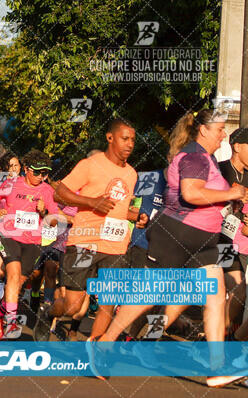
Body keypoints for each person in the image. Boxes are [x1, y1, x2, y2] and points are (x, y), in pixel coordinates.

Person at [94, 110, 246, 388]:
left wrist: (228, 204)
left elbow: (203, 195)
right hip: (175, 235)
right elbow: (191, 193)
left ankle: (216, 368)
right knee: (152, 293)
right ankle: (105, 341)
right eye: (220, 129)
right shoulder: (195, 156)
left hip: (202, 241)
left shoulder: (206, 158)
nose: (223, 134)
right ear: (203, 130)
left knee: (216, 293)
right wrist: (231, 194)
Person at [37, 119, 142, 343]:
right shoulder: (90, 164)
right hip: (84, 242)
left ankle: (96, 348)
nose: (130, 144)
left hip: (115, 246)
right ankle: (49, 313)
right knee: (73, 306)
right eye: (125, 138)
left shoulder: (132, 174)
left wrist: (136, 217)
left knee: (108, 301)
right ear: (110, 138)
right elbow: (59, 193)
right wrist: (91, 202)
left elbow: (119, 209)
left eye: (133, 139)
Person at [0, 150, 60, 339]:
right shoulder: (11, 183)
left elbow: (54, 221)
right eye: (37, 172)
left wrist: (44, 212)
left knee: (18, 282)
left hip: (32, 241)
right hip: (8, 234)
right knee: (12, 273)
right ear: (26, 169)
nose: (41, 177)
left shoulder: (47, 190)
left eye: (45, 173)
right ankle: (11, 323)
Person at [217, 128, 248, 334]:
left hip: (243, 241)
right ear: (236, 146)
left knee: (239, 291)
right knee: (230, 290)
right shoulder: (219, 171)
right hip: (219, 239)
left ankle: (222, 334)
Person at [0, 152, 22, 299]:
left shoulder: (25, 182)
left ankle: (10, 298)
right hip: (2, 228)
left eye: (16, 165)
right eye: (10, 166)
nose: (14, 168)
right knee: (0, 269)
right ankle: (0, 279)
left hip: (20, 230)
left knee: (14, 267)